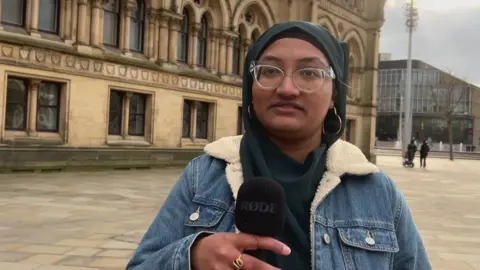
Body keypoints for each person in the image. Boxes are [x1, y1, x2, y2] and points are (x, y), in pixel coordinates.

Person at [126, 21, 431, 270]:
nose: (287, 88)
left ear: (334, 94)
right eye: (270, 71)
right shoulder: (203, 175)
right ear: (251, 88)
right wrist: (191, 258)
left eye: (310, 73)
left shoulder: (377, 191)